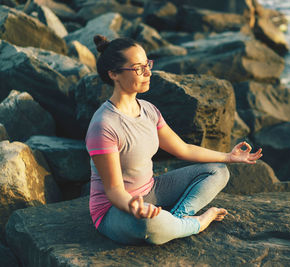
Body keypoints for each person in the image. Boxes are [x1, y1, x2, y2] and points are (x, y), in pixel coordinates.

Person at [85, 34, 263, 245]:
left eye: (147, 64)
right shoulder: (103, 125)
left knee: (218, 171)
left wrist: (229, 157)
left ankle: (176, 220)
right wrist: (136, 207)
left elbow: (183, 149)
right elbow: (114, 191)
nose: (148, 72)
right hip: (115, 210)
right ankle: (196, 223)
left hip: (151, 189)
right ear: (114, 74)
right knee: (147, 226)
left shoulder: (149, 110)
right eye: (138, 69)